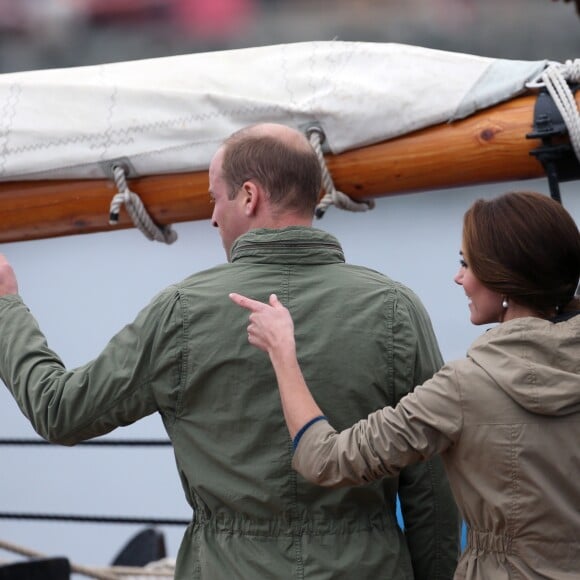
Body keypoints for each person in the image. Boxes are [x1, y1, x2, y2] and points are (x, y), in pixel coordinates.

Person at [0, 122, 459, 579]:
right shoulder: (396, 309)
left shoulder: (182, 311)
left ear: (249, 196)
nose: (213, 217)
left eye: (214, 198)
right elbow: (432, 492)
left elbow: (59, 410)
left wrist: (6, 307)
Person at [230, 190, 580, 579]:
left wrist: (282, 351)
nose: (458, 277)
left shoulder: (464, 387)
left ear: (503, 280)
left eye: (467, 264)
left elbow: (327, 459)